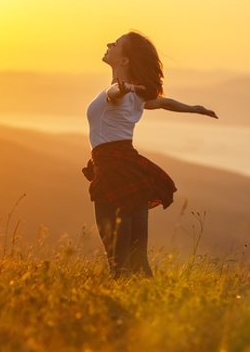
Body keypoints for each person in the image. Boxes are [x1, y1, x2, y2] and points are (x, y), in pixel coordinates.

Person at [82, 31, 218, 278]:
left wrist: (123, 88)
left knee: (118, 261)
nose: (109, 44)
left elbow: (116, 93)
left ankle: (128, 311)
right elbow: (165, 103)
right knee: (137, 258)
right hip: (130, 169)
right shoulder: (134, 95)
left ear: (124, 61)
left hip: (113, 171)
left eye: (116, 43)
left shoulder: (119, 92)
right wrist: (195, 109)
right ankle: (152, 303)